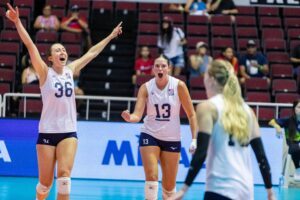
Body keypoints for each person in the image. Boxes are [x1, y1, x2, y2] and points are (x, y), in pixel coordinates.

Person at [6, 3, 122, 200]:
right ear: (50, 58)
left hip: (68, 131)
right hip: (47, 132)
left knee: (64, 177)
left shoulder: (70, 70)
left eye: (64, 50)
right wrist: (17, 22)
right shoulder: (44, 73)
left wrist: (110, 36)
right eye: (57, 50)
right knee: (44, 185)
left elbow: (91, 53)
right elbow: (30, 45)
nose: (62, 52)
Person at [169, 60, 276, 200]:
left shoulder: (207, 107)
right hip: (246, 191)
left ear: (212, 79)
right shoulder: (248, 111)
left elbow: (201, 152)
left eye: (205, 76)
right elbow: (261, 157)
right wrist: (270, 191)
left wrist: (184, 189)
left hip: (219, 188)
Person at [121, 55, 198, 200]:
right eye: (157, 66)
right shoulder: (146, 88)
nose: (160, 68)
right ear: (153, 69)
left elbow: (192, 115)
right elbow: (137, 115)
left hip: (172, 138)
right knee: (152, 178)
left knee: (169, 189)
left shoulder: (179, 86)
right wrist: (129, 117)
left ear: (168, 68)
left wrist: (194, 139)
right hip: (150, 134)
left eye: (163, 66)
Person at [269, 100, 300, 181]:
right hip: (292, 146)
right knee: (295, 148)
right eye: (299, 107)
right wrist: (277, 127)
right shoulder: (288, 120)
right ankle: (298, 170)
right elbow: (272, 121)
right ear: (294, 109)